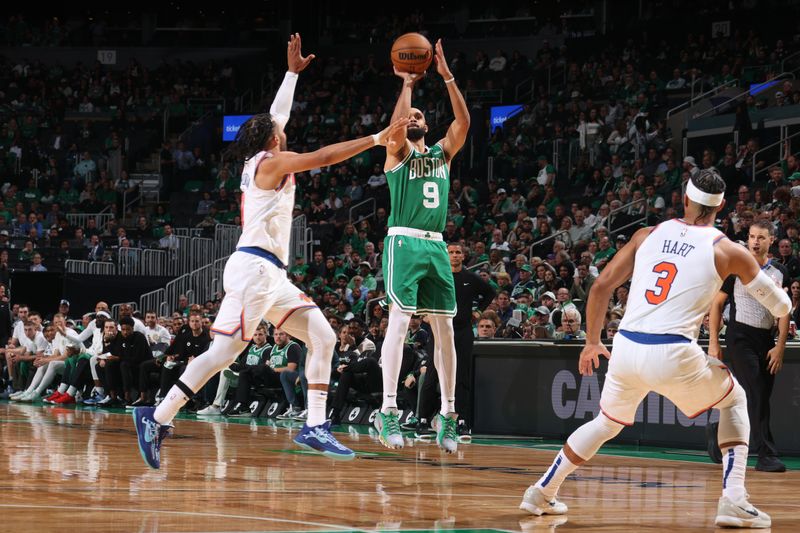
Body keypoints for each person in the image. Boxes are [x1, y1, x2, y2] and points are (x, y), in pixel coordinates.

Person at [133, 33, 408, 468]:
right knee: (224, 355)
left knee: (322, 336)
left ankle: (314, 425)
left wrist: (291, 74)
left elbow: (277, 114)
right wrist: (376, 138)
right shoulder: (273, 162)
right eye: (280, 130)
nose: (283, 127)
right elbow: (321, 157)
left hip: (266, 273)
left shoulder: (257, 157)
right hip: (257, 270)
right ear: (273, 140)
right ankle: (158, 415)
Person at [520, 170, 789, 529]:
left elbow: (600, 287)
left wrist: (592, 342)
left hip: (627, 346)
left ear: (685, 199)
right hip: (673, 351)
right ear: (722, 206)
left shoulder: (647, 234)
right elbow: (780, 306)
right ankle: (735, 499)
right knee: (735, 400)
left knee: (605, 423)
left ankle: (542, 490)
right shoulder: (728, 250)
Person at [375, 39, 470, 454]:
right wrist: (407, 86)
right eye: (409, 115)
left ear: (428, 127)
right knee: (400, 319)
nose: (413, 118)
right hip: (404, 242)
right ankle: (388, 410)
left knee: (445, 329)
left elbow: (463, 122)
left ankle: (447, 415)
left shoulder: (442, 155)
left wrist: (447, 75)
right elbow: (395, 127)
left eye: (419, 116)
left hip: (435, 246)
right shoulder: (396, 155)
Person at [707, 220, 789, 472]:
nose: (754, 241)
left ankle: (717, 433)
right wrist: (713, 341)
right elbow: (717, 304)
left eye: (761, 237)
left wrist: (779, 347)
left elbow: (784, 312)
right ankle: (765, 454)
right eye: (752, 236)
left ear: (771, 240)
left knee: (760, 394)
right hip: (739, 335)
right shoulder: (737, 268)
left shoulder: (778, 272)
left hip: (765, 339)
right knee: (756, 390)